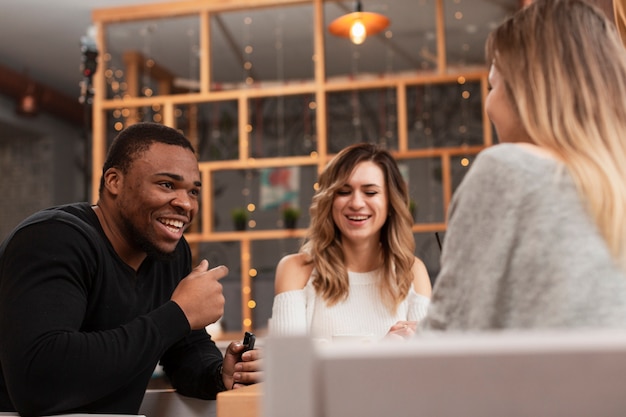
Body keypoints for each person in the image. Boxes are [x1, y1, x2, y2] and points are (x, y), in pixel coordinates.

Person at [0, 122, 261, 416]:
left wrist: (218, 374)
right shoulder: (53, 239)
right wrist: (177, 314)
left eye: (193, 191)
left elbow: (185, 349)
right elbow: (38, 383)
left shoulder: (170, 254)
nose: (185, 204)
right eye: (167, 185)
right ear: (114, 181)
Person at [420, 0, 626, 332]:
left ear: (528, 90)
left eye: (492, 85)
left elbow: (446, 343)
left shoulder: (509, 173)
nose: (488, 105)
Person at [270, 143, 432, 342]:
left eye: (370, 192)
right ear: (329, 200)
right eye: (344, 192)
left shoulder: (413, 272)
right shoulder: (296, 270)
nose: (356, 203)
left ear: (390, 202)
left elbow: (426, 367)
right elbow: (289, 367)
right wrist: (384, 351)